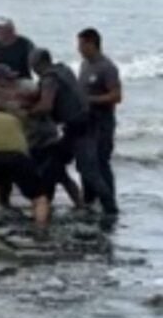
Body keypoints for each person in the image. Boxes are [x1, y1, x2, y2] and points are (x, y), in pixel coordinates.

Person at [28, 48, 117, 216]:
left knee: (89, 172)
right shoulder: (64, 69)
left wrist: (28, 112)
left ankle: (111, 210)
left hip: (81, 130)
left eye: (32, 66)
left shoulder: (49, 78)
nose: (33, 70)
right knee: (53, 162)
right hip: (79, 127)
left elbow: (46, 105)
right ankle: (65, 203)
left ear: (37, 65)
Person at [77, 28, 121, 205]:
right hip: (85, 123)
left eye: (81, 45)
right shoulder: (84, 65)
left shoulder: (107, 67)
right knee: (85, 164)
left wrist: (90, 99)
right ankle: (89, 200)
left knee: (101, 163)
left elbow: (116, 96)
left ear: (91, 44)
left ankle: (109, 203)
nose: (79, 49)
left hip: (103, 122)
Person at [0, 17, 35, 85]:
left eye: (0, 29)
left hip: (21, 80)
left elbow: (36, 64)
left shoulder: (25, 44)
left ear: (11, 30)